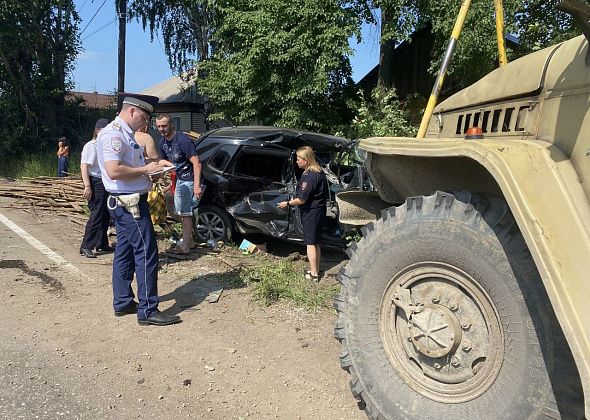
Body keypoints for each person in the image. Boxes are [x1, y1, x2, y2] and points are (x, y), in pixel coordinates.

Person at [95, 93, 180, 326]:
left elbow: (132, 165)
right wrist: (145, 171)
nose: (146, 124)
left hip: (128, 201)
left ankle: (123, 301)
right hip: (129, 203)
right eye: (144, 117)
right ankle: (148, 310)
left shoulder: (127, 134)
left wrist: (154, 166)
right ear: (132, 111)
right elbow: (114, 170)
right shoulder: (113, 134)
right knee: (146, 251)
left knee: (124, 251)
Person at [278, 146, 328, 282]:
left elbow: (302, 199)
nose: (296, 162)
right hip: (319, 211)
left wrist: (287, 204)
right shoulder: (319, 171)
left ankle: (313, 274)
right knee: (316, 242)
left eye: (298, 159)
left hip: (311, 213)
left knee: (310, 243)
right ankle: (316, 269)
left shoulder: (308, 177)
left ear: (306, 160)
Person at [156, 113, 203, 255]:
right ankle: (189, 241)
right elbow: (164, 164)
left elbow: (197, 163)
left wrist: (196, 185)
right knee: (181, 213)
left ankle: (185, 247)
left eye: (164, 126)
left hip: (189, 180)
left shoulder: (182, 140)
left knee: (186, 213)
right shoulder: (162, 143)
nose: (162, 129)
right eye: (158, 126)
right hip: (177, 180)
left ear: (171, 124)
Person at [79, 118, 112, 258]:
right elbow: (84, 166)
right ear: (98, 130)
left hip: (105, 181)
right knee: (96, 214)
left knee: (106, 214)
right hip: (96, 181)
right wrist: (87, 186)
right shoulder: (91, 146)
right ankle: (86, 245)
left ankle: (102, 242)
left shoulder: (105, 146)